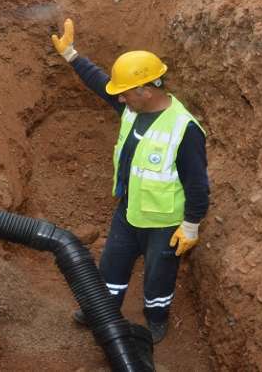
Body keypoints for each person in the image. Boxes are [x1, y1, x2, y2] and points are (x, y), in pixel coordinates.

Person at [51, 19, 210, 344]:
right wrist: (71, 54)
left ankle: (155, 320)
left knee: (158, 279)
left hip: (164, 223)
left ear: (145, 90)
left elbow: (197, 185)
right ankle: (102, 310)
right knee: (110, 267)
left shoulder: (184, 130)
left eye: (126, 94)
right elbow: (102, 83)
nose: (120, 100)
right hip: (128, 211)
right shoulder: (132, 108)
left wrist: (191, 224)